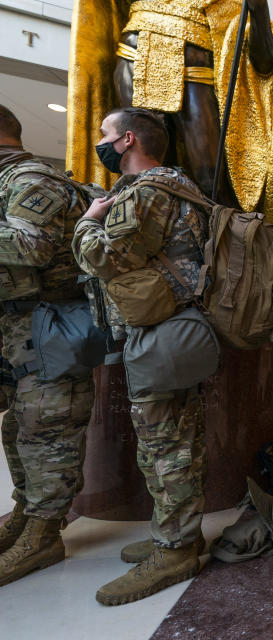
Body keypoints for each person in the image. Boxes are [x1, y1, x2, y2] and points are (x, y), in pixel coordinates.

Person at [72, 107, 210, 605]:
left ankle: (174, 550)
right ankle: (180, 536)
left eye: (105, 135)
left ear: (127, 140)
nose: (101, 143)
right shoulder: (180, 187)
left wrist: (87, 224)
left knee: (163, 446)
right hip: (176, 333)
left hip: (159, 334)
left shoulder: (147, 191)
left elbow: (108, 258)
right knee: (179, 440)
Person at [66, 0, 273, 221]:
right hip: (137, 52)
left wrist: (259, 9)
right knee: (138, 168)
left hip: (198, 66)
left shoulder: (227, 10)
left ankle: (223, 245)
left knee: (209, 177)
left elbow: (264, 63)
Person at [0, 105, 95, 587]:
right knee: (19, 426)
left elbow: (30, 246)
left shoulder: (32, 180)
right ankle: (24, 514)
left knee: (48, 429)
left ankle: (43, 534)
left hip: (50, 325)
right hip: (20, 328)